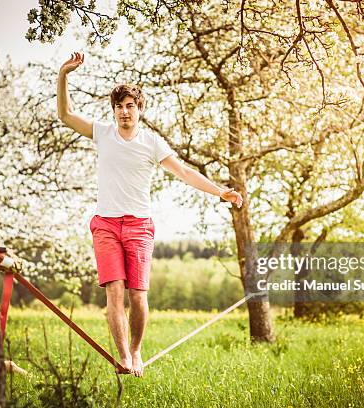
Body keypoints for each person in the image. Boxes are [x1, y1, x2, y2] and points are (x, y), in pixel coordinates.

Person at [57, 52, 243, 377]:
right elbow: (66, 115)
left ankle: (137, 349)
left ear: (139, 109)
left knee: (137, 296)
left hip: (139, 227)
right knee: (114, 292)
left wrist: (220, 192)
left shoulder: (152, 143)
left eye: (130, 106)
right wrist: (64, 75)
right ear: (113, 111)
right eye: (119, 107)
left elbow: (185, 173)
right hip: (105, 225)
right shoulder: (103, 133)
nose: (124, 112)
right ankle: (124, 356)